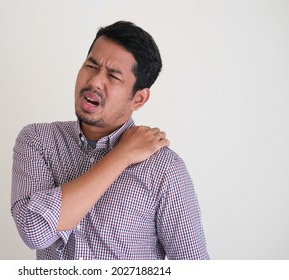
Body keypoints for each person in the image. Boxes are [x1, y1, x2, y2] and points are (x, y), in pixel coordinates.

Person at [11, 21, 209, 260]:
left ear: (139, 99)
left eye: (113, 76)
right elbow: (34, 231)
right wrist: (122, 155)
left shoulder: (165, 169)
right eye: (91, 65)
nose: (94, 81)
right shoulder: (38, 141)